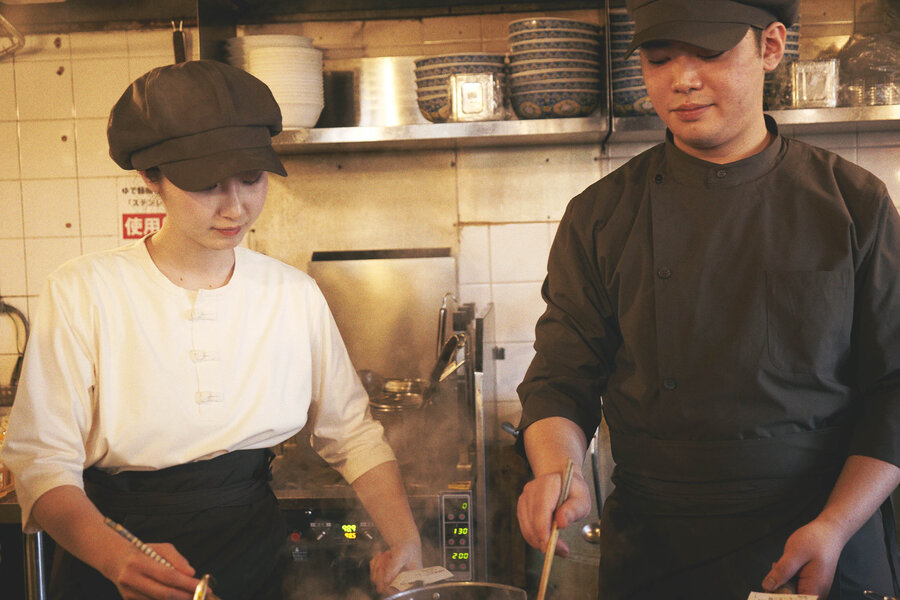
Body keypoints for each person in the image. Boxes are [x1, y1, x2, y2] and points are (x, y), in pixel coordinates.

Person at [515, 1, 900, 598]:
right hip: (659, 551)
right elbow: (560, 378)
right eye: (659, 59)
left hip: (825, 539)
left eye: (710, 54)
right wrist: (555, 473)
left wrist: (836, 525)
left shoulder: (852, 204)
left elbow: (895, 387)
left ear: (771, 47)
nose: (682, 80)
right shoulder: (599, 216)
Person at [1, 59, 422, 600]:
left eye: (251, 178)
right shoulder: (84, 290)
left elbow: (353, 435)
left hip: (254, 556)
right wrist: (116, 557)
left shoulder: (293, 294)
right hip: (112, 555)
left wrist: (405, 538)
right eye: (204, 183)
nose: (236, 206)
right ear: (151, 178)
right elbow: (42, 461)